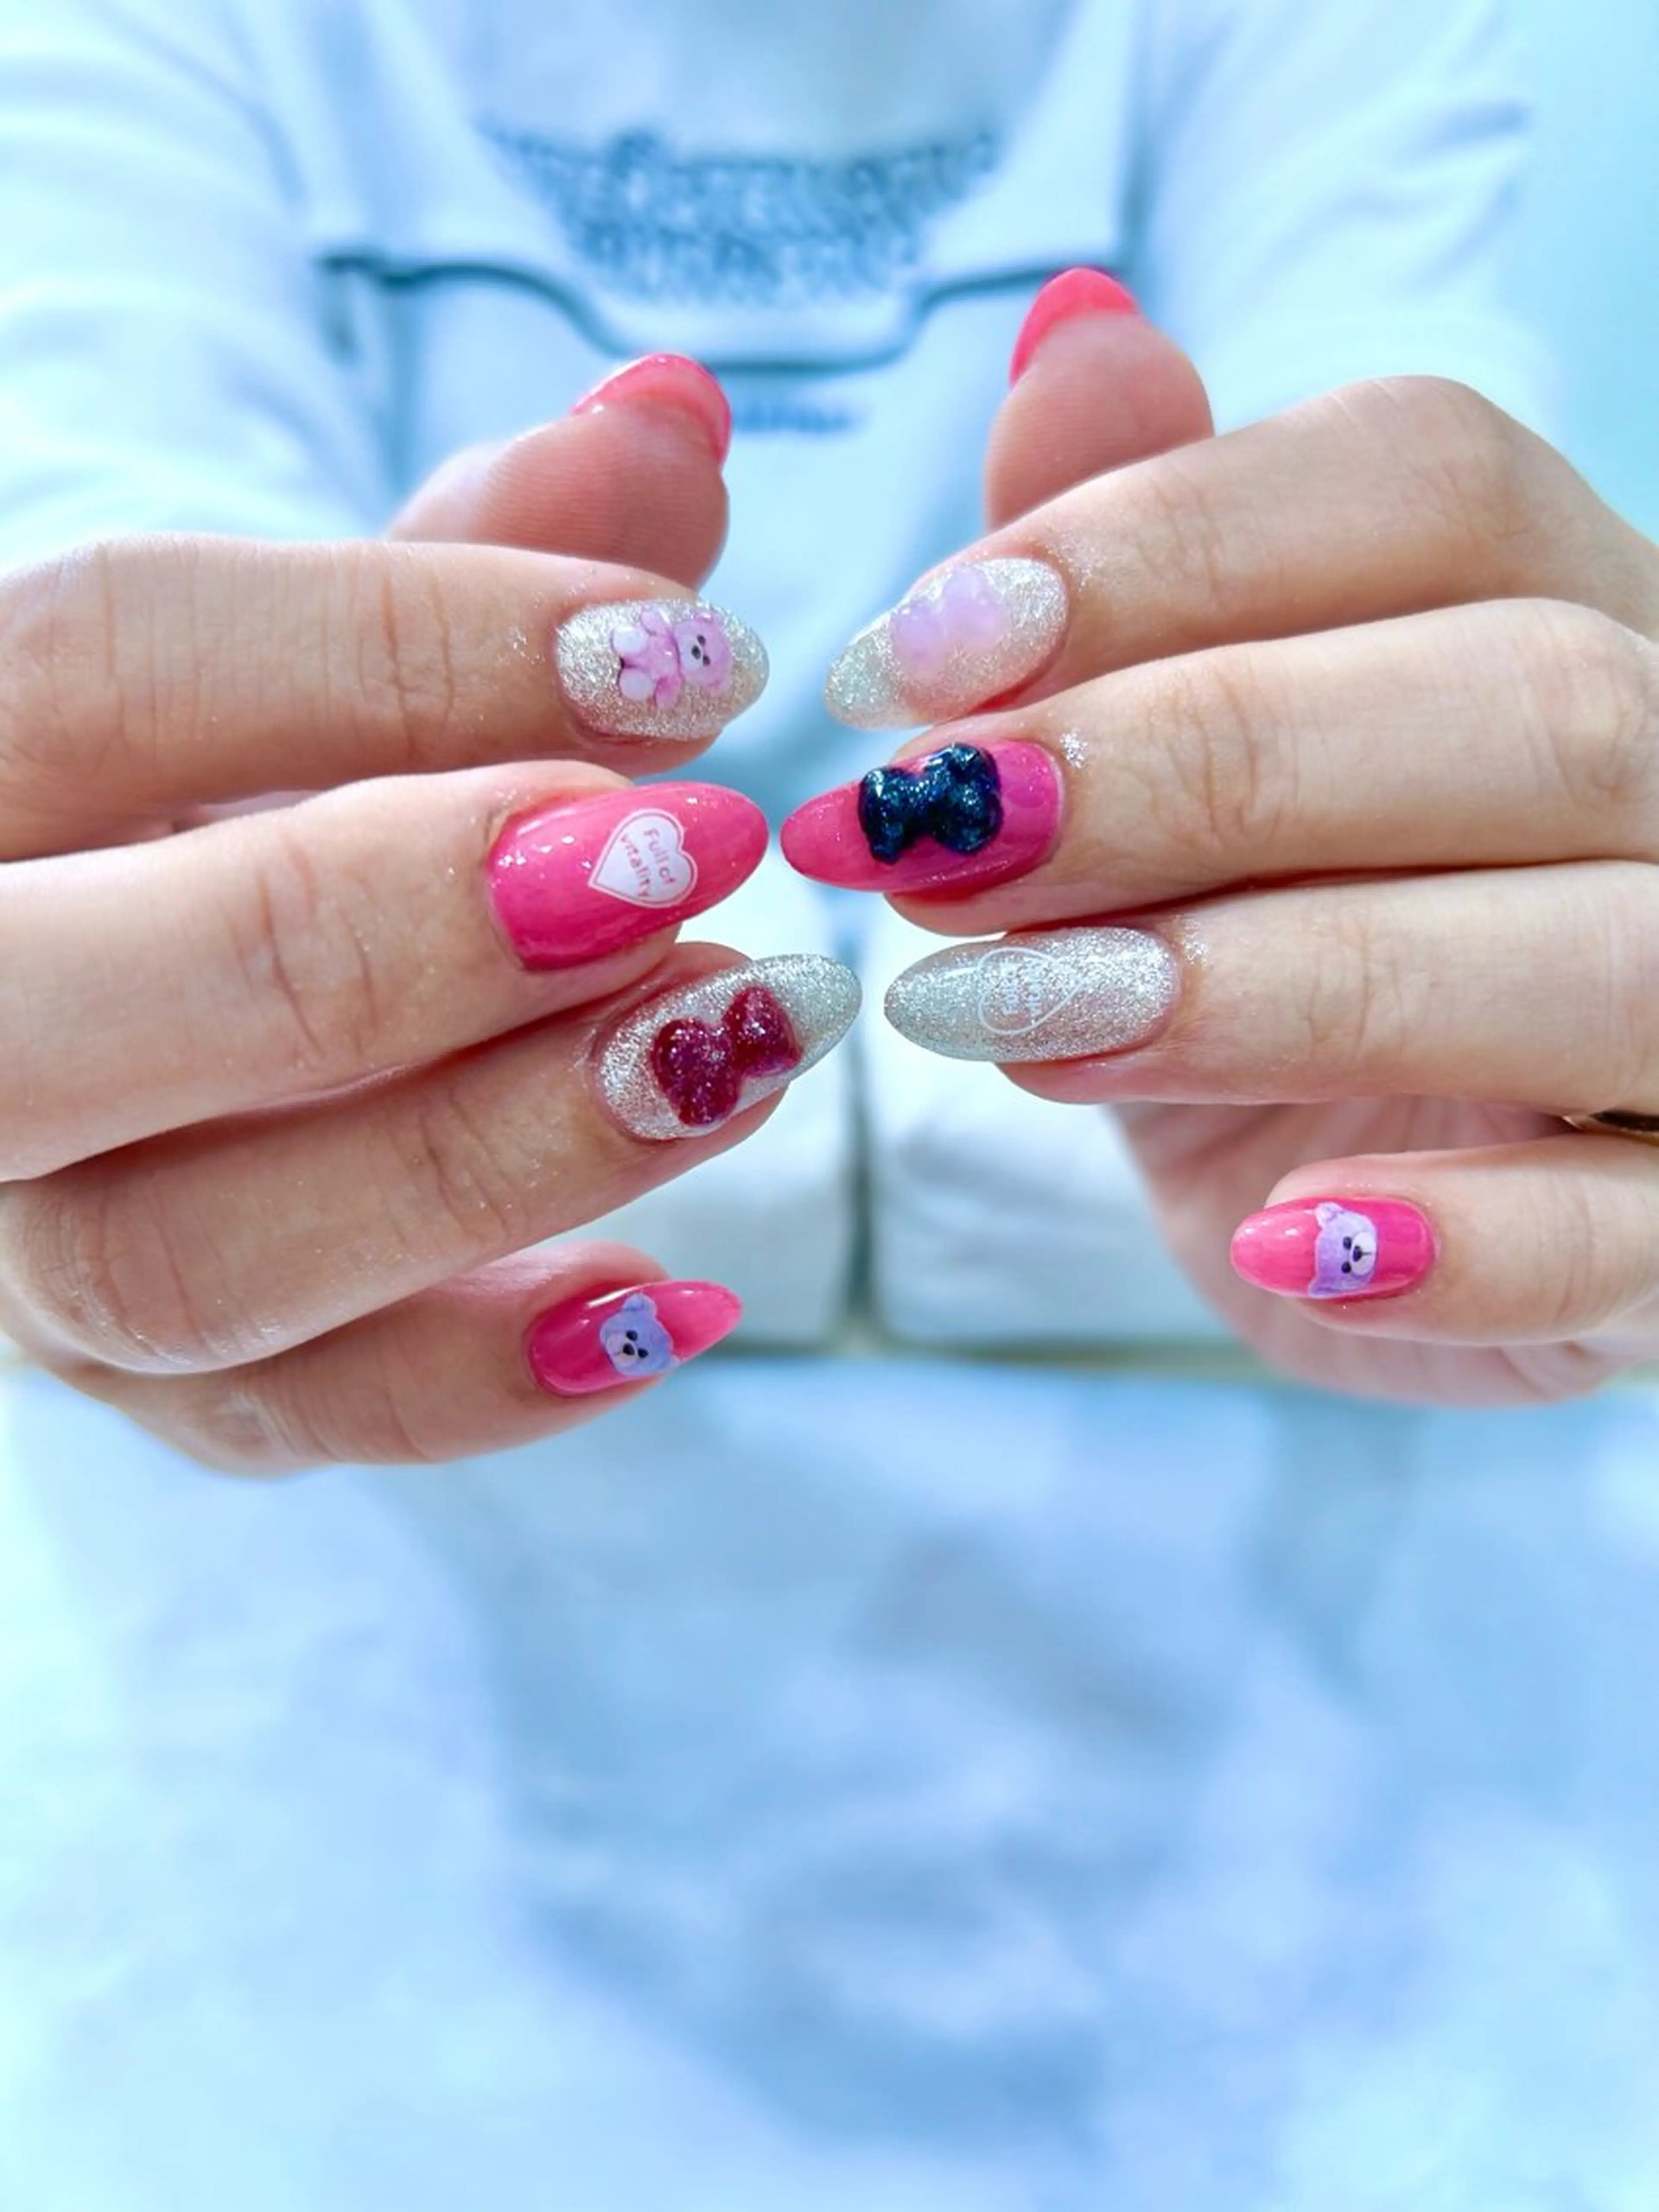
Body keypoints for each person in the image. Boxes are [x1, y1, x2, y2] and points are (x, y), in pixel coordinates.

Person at [1, 1, 1657, 2203]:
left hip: (1309, 1773)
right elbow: (104, 635)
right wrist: (152, 946)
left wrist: (1507, 887)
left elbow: (1407, 571)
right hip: (311, 1741)